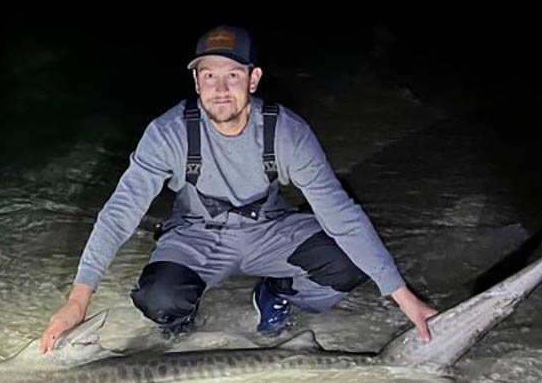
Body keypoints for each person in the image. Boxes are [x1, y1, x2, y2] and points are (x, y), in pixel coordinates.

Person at [39, 24, 436, 353]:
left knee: (347, 262)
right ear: (195, 82)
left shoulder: (287, 133)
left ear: (254, 78)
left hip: (269, 230)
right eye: (209, 75)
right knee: (160, 299)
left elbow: (341, 214)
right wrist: (79, 300)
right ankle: (184, 313)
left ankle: (277, 292)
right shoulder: (167, 133)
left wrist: (402, 297)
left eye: (233, 74)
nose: (221, 88)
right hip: (196, 234)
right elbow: (120, 212)